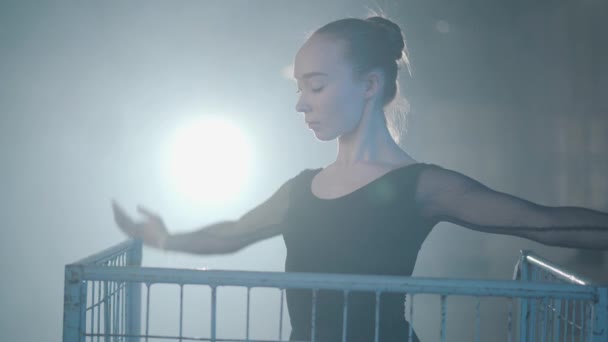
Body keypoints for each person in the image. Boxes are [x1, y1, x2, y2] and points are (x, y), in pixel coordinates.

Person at [112, 16, 608, 342]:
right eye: (300, 87)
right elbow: (232, 233)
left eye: (317, 85)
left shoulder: (420, 184)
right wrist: (166, 237)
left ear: (370, 85)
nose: (301, 102)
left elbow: (540, 223)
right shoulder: (299, 189)